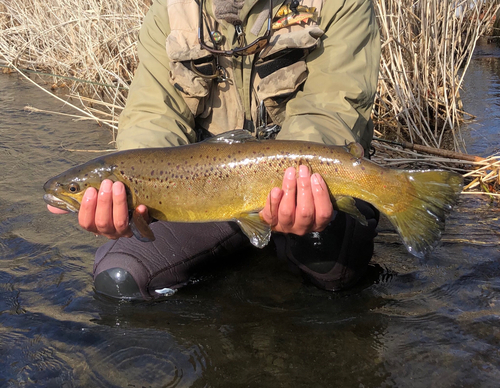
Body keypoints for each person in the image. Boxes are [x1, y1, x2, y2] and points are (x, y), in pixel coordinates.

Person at [48, 0, 381, 300]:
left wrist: (295, 181)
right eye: (75, 189)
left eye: (75, 188)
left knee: (331, 271)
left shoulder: (340, 4)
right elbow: (154, 117)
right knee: (121, 275)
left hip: (311, 186)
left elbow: (331, 110)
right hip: (204, 189)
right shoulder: (170, 12)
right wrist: (128, 197)